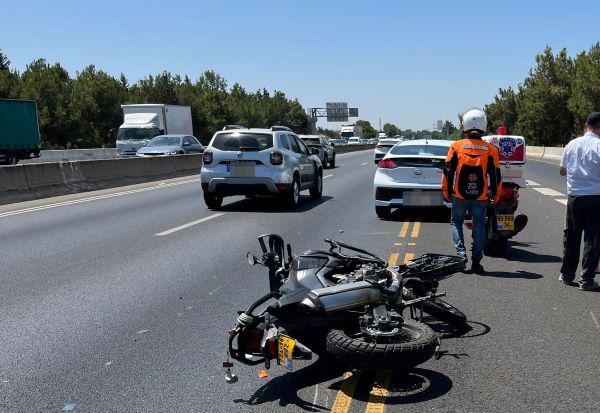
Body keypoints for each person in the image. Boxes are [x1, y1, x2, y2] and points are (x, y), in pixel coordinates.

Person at [442, 108, 501, 273]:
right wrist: (495, 195)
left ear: (464, 125)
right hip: (481, 196)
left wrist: (446, 192)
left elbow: (448, 172)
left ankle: (461, 256)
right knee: (479, 226)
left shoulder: (456, 146)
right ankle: (476, 262)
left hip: (459, 195)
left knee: (456, 222)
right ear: (484, 126)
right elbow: (495, 176)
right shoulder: (490, 150)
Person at [558, 112, 600, 291]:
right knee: (593, 239)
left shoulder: (572, 144)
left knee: (572, 236)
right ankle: (587, 279)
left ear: (585, 125)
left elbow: (562, 170)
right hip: (596, 197)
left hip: (574, 197)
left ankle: (567, 275)